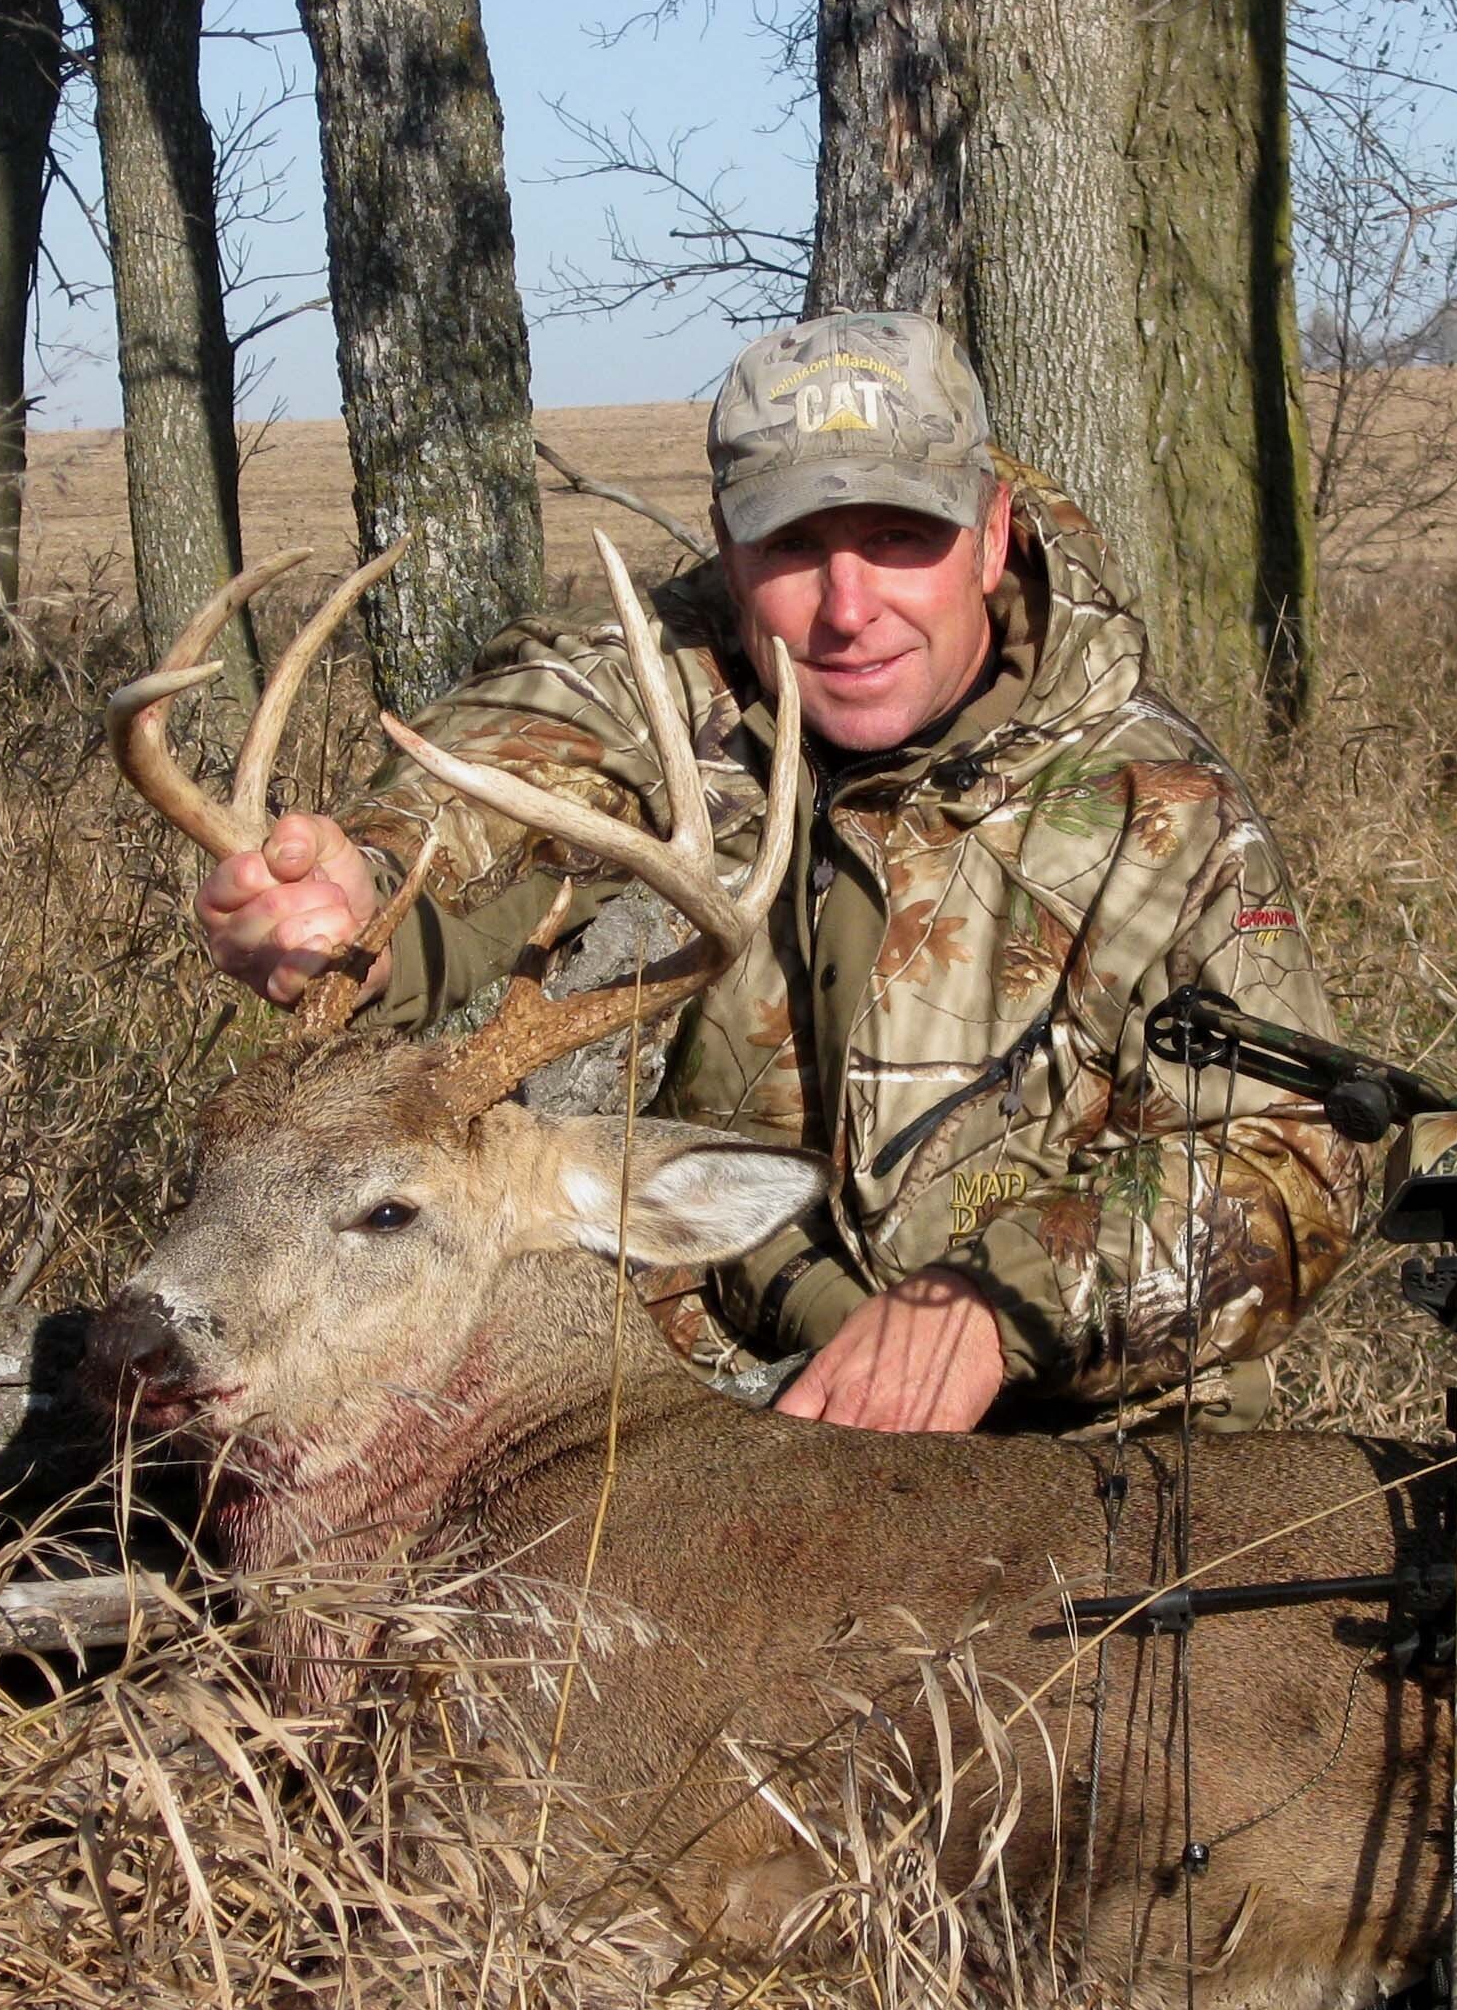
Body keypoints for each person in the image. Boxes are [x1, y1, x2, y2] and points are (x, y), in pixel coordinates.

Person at [196, 311, 1363, 1434]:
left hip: (1067, 1447)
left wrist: (996, 1308)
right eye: (794, 546)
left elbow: (1292, 1157)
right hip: (702, 1424)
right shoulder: (660, 689)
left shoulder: (1160, 809)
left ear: (993, 531)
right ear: (726, 538)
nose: (848, 610)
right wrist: (362, 885)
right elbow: (497, 768)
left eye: (902, 538)